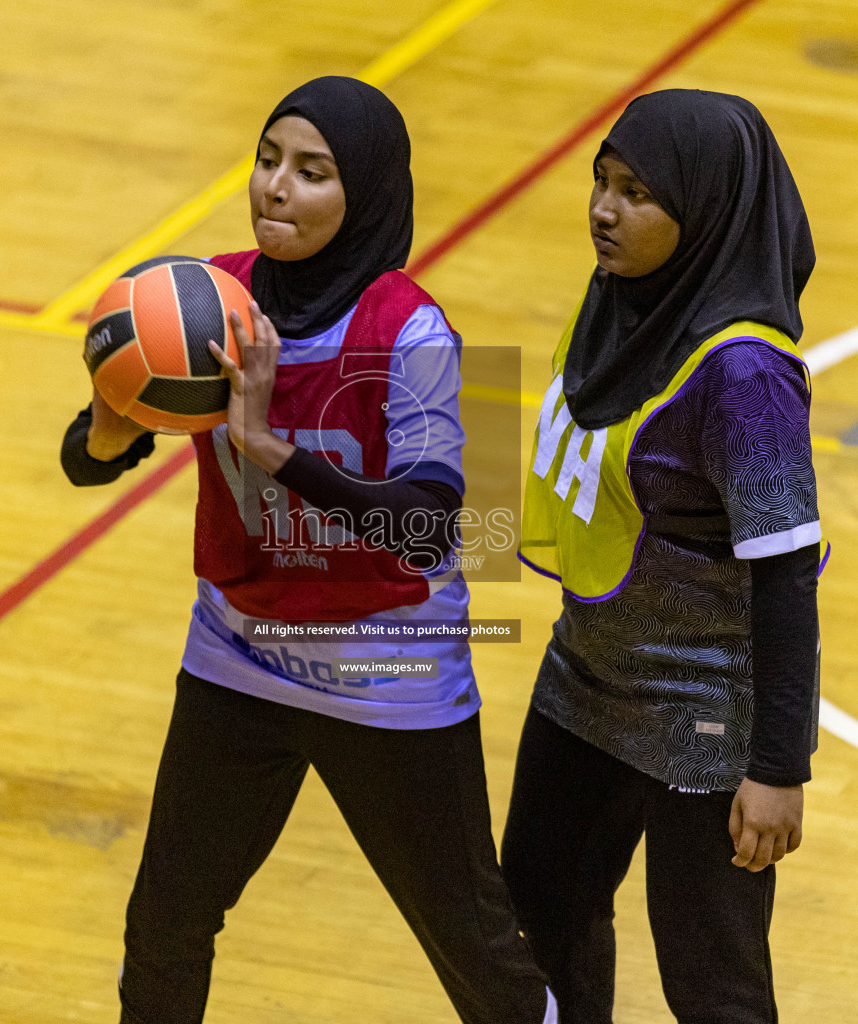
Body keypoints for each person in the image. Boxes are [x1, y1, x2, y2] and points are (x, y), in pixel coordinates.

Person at [61, 76, 555, 1024]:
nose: (275, 188)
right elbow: (87, 461)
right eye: (268, 159)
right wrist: (110, 419)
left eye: (313, 172)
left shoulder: (412, 330)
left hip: (386, 671)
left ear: (362, 195)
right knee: (165, 922)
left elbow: (430, 527)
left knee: (478, 958)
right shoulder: (209, 295)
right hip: (238, 655)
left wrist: (268, 447)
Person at [502, 89, 822, 1024]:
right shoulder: (615, 305)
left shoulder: (744, 376)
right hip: (582, 684)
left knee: (711, 988)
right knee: (537, 921)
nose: (604, 209)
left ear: (707, 210)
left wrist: (778, 768)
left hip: (704, 725)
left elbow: (787, 577)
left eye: (638, 192)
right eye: (601, 181)